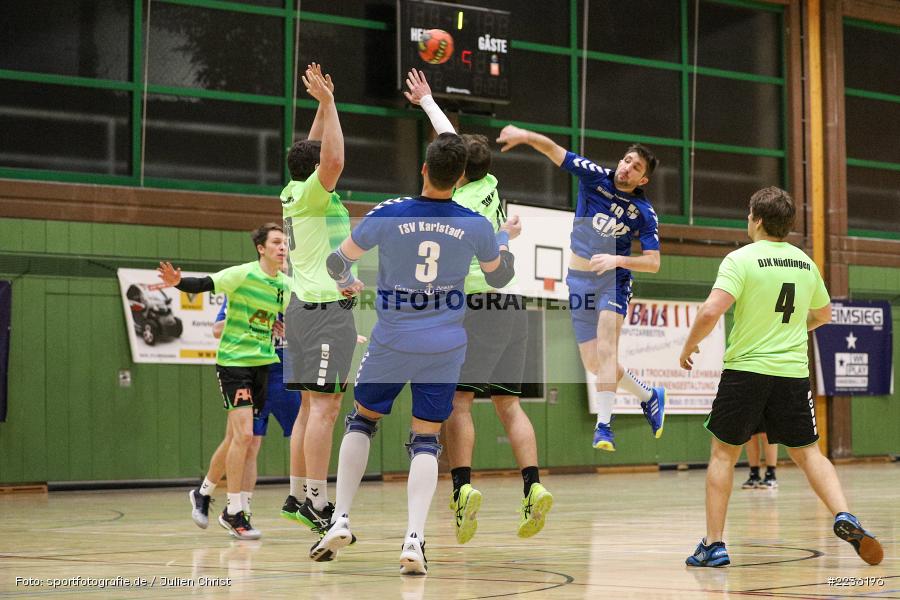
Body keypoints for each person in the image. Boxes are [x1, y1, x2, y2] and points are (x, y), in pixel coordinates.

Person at [308, 132, 518, 574]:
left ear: (424, 168)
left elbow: (336, 263)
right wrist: (503, 240)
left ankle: (340, 517)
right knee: (426, 439)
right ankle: (414, 540)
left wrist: (347, 281)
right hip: (444, 346)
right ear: (460, 178)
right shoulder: (475, 225)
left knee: (362, 420)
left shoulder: (389, 213)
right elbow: (499, 279)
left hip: (392, 340)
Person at [679, 186, 883, 567]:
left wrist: (688, 347)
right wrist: (786, 330)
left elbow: (710, 311)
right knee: (808, 454)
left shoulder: (740, 259)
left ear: (755, 219)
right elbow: (823, 316)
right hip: (792, 375)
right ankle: (844, 514)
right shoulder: (806, 264)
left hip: (746, 370)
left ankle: (714, 545)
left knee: (723, 455)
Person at [403, 69, 551, 544]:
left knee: (459, 402)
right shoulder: (490, 184)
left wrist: (427, 101)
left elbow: (448, 140)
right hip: (514, 302)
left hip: (473, 304)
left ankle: (463, 488)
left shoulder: (452, 206)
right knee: (509, 404)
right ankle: (533, 484)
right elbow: (451, 137)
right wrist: (428, 102)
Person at [495, 125, 665, 451]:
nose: (628, 167)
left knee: (607, 346)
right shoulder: (595, 176)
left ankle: (604, 427)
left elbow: (653, 261)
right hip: (578, 279)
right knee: (594, 364)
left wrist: (617, 261)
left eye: (636, 167)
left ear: (643, 180)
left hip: (612, 281)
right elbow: (554, 151)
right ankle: (648, 395)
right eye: (627, 160)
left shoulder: (643, 213)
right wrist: (526, 137)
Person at [172, 222, 290, 540]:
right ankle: (234, 512)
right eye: (276, 242)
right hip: (234, 364)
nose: (282, 247)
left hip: (263, 365)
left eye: (285, 243)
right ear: (261, 248)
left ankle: (204, 492)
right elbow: (203, 283)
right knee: (244, 436)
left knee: (238, 440)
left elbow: (310, 307)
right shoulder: (241, 275)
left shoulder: (284, 285)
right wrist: (178, 281)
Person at [281, 63, 357, 533]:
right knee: (326, 410)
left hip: (305, 307)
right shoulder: (313, 192)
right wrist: (329, 104)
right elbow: (330, 161)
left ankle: (295, 494)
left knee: (311, 408)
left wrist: (320, 106)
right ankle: (317, 501)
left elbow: (311, 153)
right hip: (323, 313)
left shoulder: (292, 189)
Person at [212, 295, 309, 521]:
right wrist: (253, 319)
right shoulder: (246, 288)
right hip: (257, 374)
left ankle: (303, 498)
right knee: (248, 442)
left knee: (305, 434)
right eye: (280, 256)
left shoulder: (297, 291)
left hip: (289, 375)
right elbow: (217, 330)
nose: (283, 259)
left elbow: (312, 335)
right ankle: (240, 508)